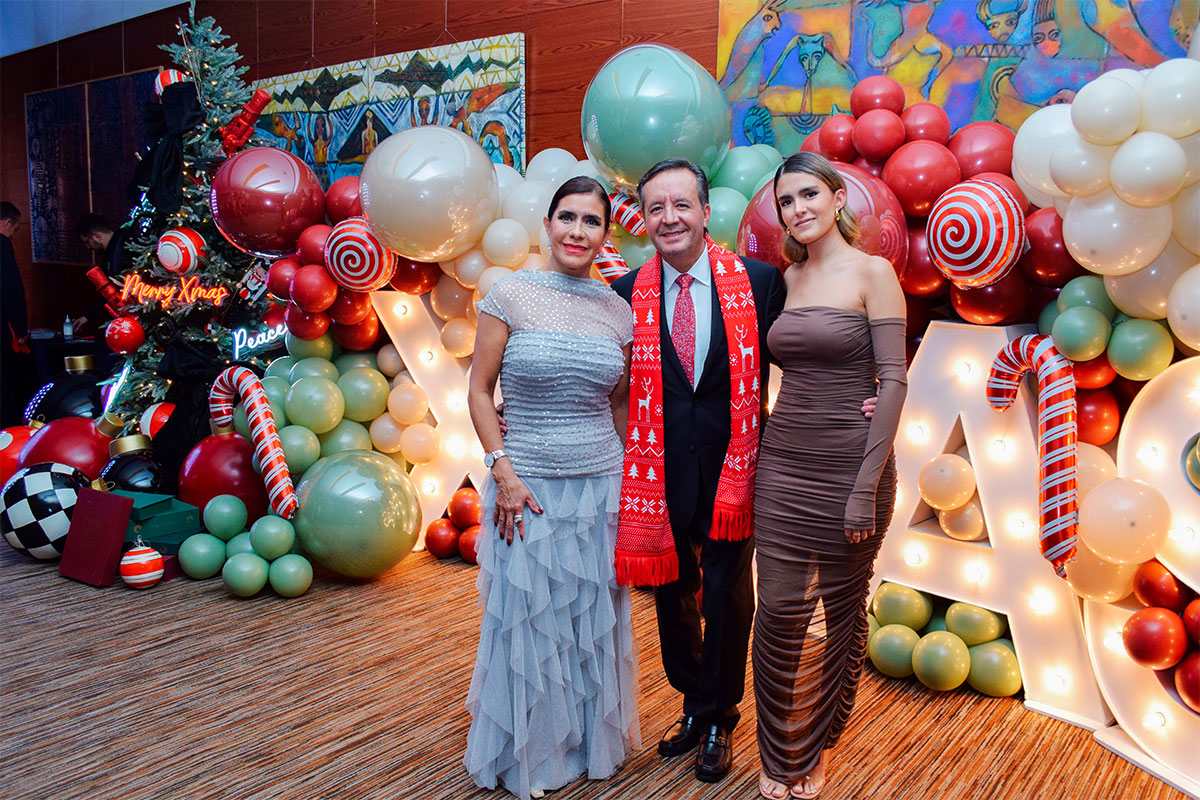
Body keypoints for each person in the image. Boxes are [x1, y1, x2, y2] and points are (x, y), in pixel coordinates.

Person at [610, 159, 785, 784]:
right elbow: (610, 382)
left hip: (736, 468)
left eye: (681, 204)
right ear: (643, 218)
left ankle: (717, 718)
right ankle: (693, 700)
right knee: (672, 595)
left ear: (706, 212)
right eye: (656, 207)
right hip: (658, 471)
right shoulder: (624, 292)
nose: (669, 218)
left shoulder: (761, 283)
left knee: (729, 596)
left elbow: (801, 360)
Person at [464, 176, 639, 800]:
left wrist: (634, 482)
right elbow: (478, 391)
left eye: (591, 221)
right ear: (547, 223)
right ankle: (531, 753)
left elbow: (618, 405)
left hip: (600, 486)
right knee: (529, 621)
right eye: (567, 217)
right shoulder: (510, 294)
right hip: (526, 486)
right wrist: (501, 470)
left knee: (589, 619)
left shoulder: (617, 310)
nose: (577, 231)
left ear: (605, 235)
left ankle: (585, 743)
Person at [752, 152, 906, 800]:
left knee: (839, 614)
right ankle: (777, 751)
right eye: (786, 201)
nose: (798, 209)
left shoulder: (873, 272)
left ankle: (813, 751)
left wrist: (864, 488)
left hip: (851, 467)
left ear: (838, 198)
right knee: (777, 613)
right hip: (782, 464)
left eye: (809, 194)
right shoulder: (785, 279)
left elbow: (894, 379)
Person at [1, 201, 31, 427]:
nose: (13, 235)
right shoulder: (2, 244)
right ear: (7, 223)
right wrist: (21, 328)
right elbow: (12, 289)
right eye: (15, 229)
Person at [75, 213, 129, 332]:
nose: (88, 247)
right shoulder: (118, 246)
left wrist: (89, 316)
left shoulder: (119, 251)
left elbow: (110, 291)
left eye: (87, 242)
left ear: (97, 236)